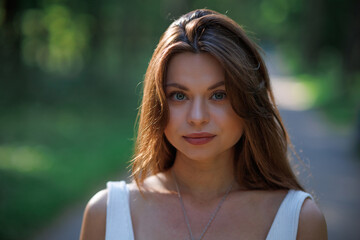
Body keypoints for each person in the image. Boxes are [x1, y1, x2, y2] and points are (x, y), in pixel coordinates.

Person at [80, 9, 327, 240]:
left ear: (249, 101)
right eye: (179, 95)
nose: (197, 117)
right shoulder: (106, 214)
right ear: (157, 105)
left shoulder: (300, 222)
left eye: (219, 95)